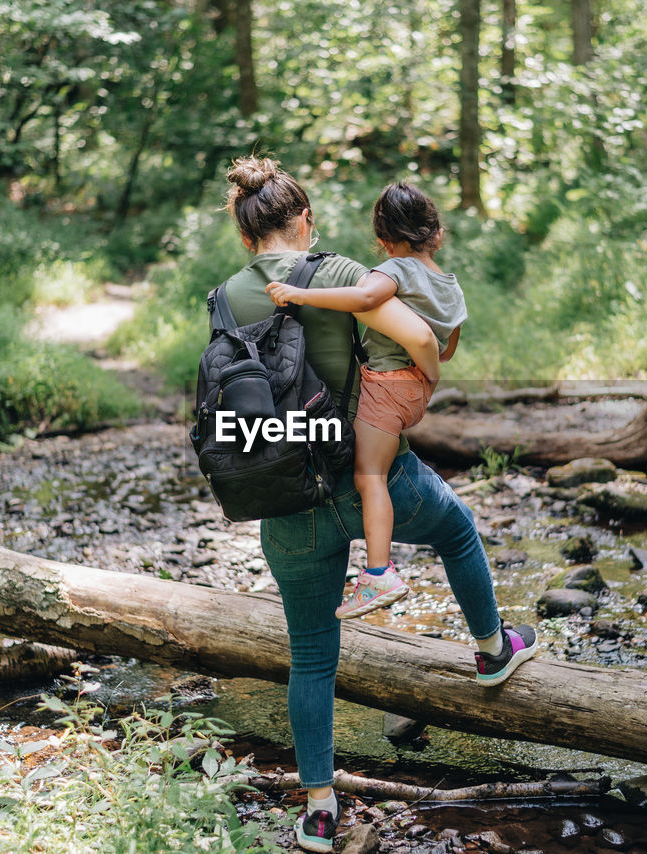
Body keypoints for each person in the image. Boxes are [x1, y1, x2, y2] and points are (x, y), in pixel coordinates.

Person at [218, 155, 537, 854]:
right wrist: (426, 383)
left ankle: (320, 812)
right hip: (373, 478)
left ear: (246, 238)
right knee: (456, 530)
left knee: (310, 658)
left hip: (286, 502)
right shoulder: (338, 275)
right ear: (305, 221)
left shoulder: (227, 296)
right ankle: (491, 650)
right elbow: (421, 337)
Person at [265, 183, 461, 621]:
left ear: (383, 239)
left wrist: (299, 295)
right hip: (415, 393)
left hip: (387, 385)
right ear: (438, 235)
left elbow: (366, 298)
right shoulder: (449, 285)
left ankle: (378, 572)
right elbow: (445, 348)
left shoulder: (395, 270)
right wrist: (428, 371)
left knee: (369, 475)